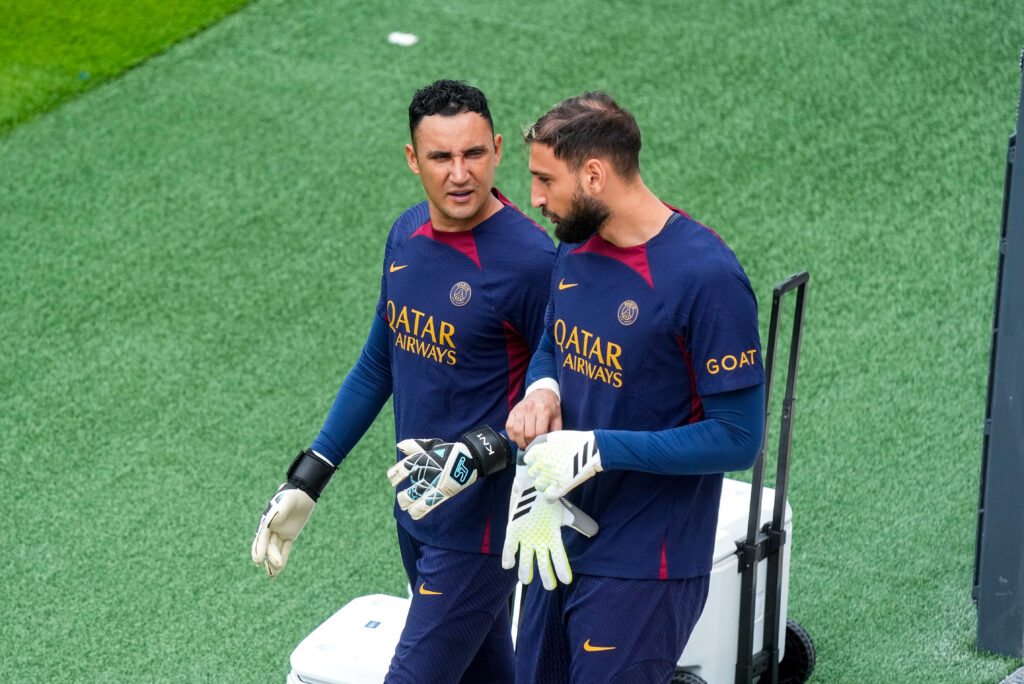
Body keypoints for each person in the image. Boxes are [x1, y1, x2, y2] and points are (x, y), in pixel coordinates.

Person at [250, 79, 555, 684]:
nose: (459, 173)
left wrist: (478, 453)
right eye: (441, 157)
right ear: (414, 159)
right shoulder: (405, 236)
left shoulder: (531, 261)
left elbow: (567, 391)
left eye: (473, 154)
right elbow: (378, 365)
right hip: (415, 516)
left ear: (496, 150)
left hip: (482, 530)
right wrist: (311, 475)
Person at [501, 92, 767, 683]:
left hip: (645, 564)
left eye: (546, 179)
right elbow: (553, 339)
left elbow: (738, 438)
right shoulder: (574, 245)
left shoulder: (707, 278)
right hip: (554, 534)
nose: (536, 197)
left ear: (593, 174)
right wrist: (542, 387)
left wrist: (602, 448)